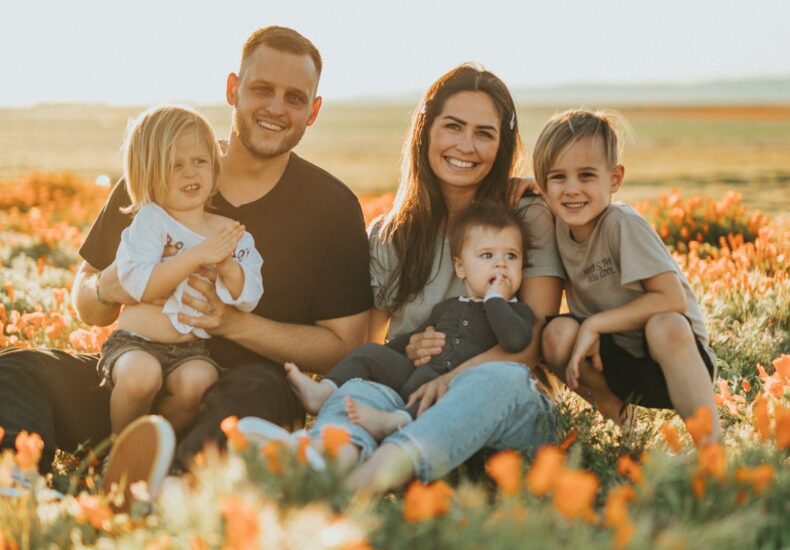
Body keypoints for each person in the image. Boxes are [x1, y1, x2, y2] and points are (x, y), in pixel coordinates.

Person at [0, 26, 372, 486]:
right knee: (16, 369)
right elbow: (87, 300)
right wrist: (107, 286)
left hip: (236, 393)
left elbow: (345, 345)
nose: (276, 107)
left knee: (258, 390)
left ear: (313, 112)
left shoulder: (331, 207)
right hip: (135, 381)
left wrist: (233, 324)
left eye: (294, 97)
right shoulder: (162, 171)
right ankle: (16, 489)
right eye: (262, 89)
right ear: (233, 90)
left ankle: (167, 485)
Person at [238, 63, 565, 493]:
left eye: (484, 133)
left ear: (501, 145)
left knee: (495, 380)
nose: (466, 145)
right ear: (426, 130)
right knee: (361, 389)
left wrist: (451, 379)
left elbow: (532, 345)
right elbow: (366, 345)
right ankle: (323, 462)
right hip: (410, 400)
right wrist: (406, 348)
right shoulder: (391, 235)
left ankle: (360, 484)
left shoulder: (525, 216)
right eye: (453, 127)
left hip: (504, 409)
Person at [534, 109, 721, 440]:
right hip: (615, 362)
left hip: (672, 360)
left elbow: (671, 299)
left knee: (665, 324)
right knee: (555, 334)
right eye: (558, 177)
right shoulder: (558, 228)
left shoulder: (622, 225)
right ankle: (622, 422)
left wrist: (594, 323)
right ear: (543, 185)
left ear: (615, 179)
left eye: (587, 176)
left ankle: (710, 447)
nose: (572, 189)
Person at [285, 202, 534, 438]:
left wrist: (494, 300)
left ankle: (396, 421)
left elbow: (515, 340)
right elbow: (410, 339)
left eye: (511, 256)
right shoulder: (448, 307)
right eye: (487, 255)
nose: (501, 264)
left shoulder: (518, 313)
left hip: (456, 389)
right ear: (461, 268)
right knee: (369, 353)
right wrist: (390, 354)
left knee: (433, 389)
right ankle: (324, 392)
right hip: (417, 375)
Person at [100, 105, 263, 436]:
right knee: (140, 377)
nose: (190, 173)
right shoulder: (150, 221)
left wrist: (228, 267)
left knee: (199, 381)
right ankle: (118, 448)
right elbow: (140, 286)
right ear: (148, 173)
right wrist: (198, 255)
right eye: (175, 165)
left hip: (190, 350)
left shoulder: (229, 231)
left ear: (215, 167)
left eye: (199, 162)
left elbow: (249, 296)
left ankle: (158, 447)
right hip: (135, 342)